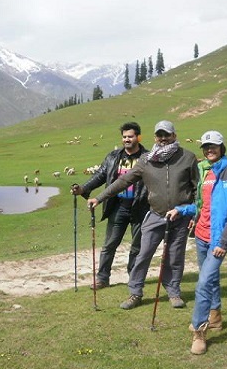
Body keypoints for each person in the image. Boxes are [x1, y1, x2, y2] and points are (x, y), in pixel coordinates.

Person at [88, 120, 199, 310]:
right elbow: (123, 180)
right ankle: (135, 293)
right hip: (155, 215)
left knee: (175, 256)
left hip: (180, 217)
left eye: (167, 135)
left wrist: (194, 215)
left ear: (174, 136)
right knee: (143, 254)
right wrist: (99, 198)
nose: (163, 139)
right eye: (159, 135)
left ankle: (173, 292)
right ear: (155, 137)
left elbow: (197, 188)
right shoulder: (146, 160)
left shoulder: (187, 157)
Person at [175, 130, 227, 355]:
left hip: (218, 239)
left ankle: (199, 330)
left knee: (203, 283)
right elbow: (201, 205)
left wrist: (224, 242)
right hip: (201, 235)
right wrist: (181, 210)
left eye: (213, 146)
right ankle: (215, 317)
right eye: (206, 147)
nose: (209, 150)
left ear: (222, 147)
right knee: (211, 278)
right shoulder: (204, 171)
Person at [71, 122, 149, 290]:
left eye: (130, 136)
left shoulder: (147, 157)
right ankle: (102, 278)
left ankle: (133, 278)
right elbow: (100, 175)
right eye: (124, 137)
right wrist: (84, 189)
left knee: (137, 247)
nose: (127, 139)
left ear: (138, 137)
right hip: (118, 206)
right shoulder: (113, 157)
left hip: (141, 207)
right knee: (109, 245)